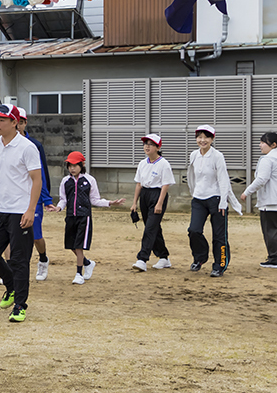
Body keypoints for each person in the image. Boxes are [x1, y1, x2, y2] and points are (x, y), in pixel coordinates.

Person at [0, 104, 41, 323]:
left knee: (19, 259)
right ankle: (11, 285)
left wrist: (30, 210)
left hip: (19, 211)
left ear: (14, 122)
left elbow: (37, 180)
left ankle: (20, 305)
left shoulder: (27, 147)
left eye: (2, 120)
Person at [46, 152, 124, 284]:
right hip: (70, 216)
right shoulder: (65, 181)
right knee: (71, 245)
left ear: (82, 165)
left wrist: (110, 203)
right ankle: (88, 263)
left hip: (84, 217)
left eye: (75, 165)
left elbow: (95, 200)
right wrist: (58, 208)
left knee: (79, 246)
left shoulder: (90, 180)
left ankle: (78, 273)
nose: (72, 168)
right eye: (70, 165)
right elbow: (63, 199)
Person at [187, 125, 240, 277]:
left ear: (212, 139)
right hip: (198, 199)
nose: (202, 140)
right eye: (199, 137)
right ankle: (200, 258)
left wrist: (223, 201)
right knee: (194, 230)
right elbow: (192, 176)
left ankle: (219, 265)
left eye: (206, 137)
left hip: (216, 199)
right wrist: (193, 192)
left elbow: (223, 180)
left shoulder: (218, 156)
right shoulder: (194, 155)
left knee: (219, 236)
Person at [16, 107, 54, 281]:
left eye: (21, 122)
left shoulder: (34, 146)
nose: (18, 126)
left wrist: (46, 198)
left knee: (36, 236)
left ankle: (43, 258)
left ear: (25, 123)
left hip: (33, 197)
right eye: (16, 122)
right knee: (11, 236)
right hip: (13, 198)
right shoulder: (0, 145)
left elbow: (41, 175)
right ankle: (12, 269)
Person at [131, 134, 175, 272]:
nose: (147, 146)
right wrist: (134, 203)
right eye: (145, 144)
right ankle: (164, 257)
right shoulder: (142, 163)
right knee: (153, 227)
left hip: (157, 195)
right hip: (145, 194)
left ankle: (142, 259)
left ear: (158, 147)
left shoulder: (164, 164)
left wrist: (160, 203)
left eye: (151, 144)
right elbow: (139, 184)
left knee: (150, 228)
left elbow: (165, 185)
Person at [241, 132, 277, 268]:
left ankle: (274, 259)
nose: (260, 145)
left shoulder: (268, 160)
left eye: (263, 142)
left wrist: (247, 192)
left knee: (271, 231)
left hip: (270, 201)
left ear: (273, 145)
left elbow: (261, 179)